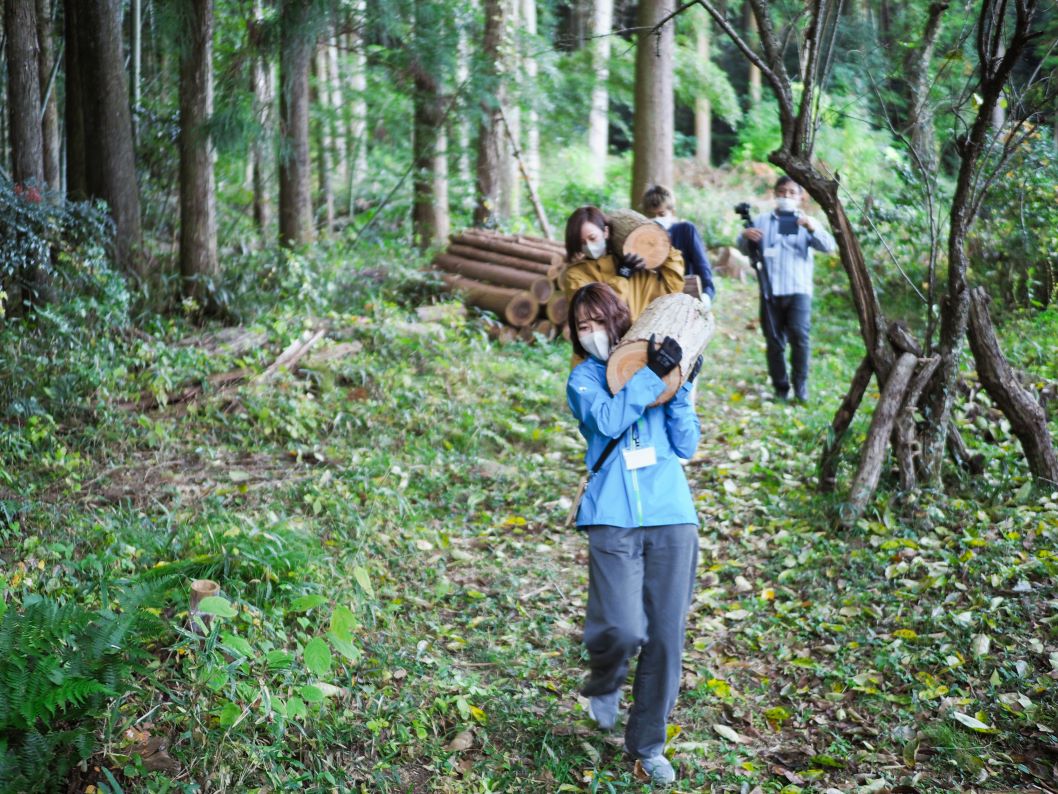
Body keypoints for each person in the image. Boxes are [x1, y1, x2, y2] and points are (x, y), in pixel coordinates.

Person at [566, 282, 702, 785]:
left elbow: (686, 444)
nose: (593, 334)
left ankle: (648, 745)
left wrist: (681, 387)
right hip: (612, 515)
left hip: (671, 513)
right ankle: (604, 678)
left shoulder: (659, 372)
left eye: (600, 322)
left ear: (620, 320)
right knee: (622, 627)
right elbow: (608, 418)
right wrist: (652, 378)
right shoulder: (583, 379)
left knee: (665, 639)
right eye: (583, 327)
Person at [736, 176, 836, 402]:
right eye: (782, 192)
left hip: (798, 289)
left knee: (800, 337)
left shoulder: (808, 221)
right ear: (775, 193)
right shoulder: (761, 220)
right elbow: (743, 249)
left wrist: (812, 229)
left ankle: (800, 386)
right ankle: (781, 388)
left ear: (801, 197)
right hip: (769, 290)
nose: (786, 196)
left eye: (792, 192)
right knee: (774, 341)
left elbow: (829, 246)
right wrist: (744, 236)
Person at [561, 206, 686, 325]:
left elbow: (672, 289)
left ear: (605, 232)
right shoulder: (575, 276)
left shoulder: (635, 265)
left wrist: (665, 247)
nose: (588, 246)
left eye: (592, 238)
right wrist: (622, 276)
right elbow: (598, 314)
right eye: (582, 243)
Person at [641, 185, 716, 309]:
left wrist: (707, 295)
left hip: (685, 298)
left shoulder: (685, 229)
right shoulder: (641, 237)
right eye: (651, 215)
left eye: (661, 214)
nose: (657, 219)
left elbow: (702, 265)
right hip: (654, 302)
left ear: (672, 211)